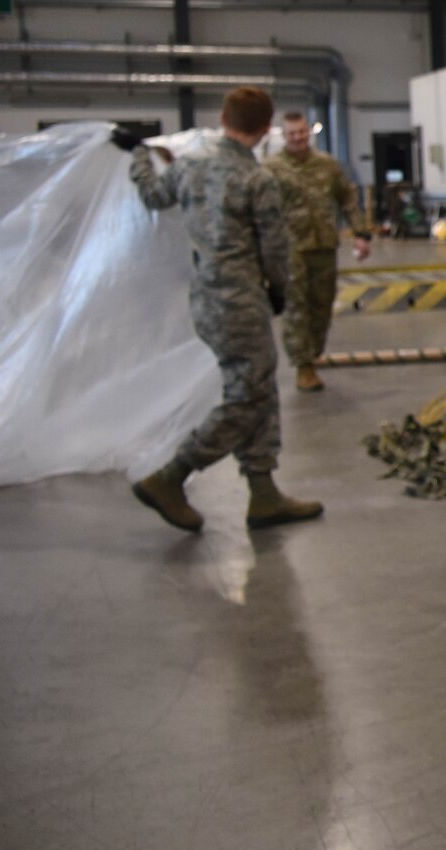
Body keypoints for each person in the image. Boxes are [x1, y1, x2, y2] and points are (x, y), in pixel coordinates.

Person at [121, 87, 324, 533]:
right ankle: (171, 477)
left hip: (205, 300)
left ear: (223, 118)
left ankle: (264, 493)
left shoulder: (190, 165)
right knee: (247, 397)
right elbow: (275, 249)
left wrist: (137, 154)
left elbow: (153, 196)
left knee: (257, 387)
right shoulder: (257, 180)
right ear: (265, 128)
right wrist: (279, 291)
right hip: (240, 299)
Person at [264, 109, 371, 392]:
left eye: (301, 132)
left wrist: (360, 232)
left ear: (308, 132)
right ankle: (303, 364)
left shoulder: (327, 165)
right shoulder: (271, 169)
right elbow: (261, 211)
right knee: (297, 307)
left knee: (322, 305)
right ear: (284, 136)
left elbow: (347, 198)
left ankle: (313, 352)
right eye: (292, 133)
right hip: (291, 248)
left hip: (324, 244)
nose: (298, 138)